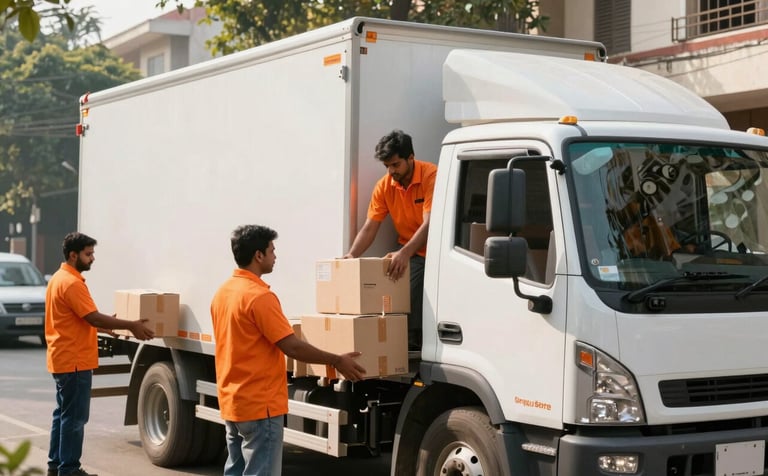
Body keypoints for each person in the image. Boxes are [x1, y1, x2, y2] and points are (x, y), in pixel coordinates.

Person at [211, 224, 366, 476]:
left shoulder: (223, 293)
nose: (275, 256)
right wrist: (336, 360)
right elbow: (291, 345)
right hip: (260, 406)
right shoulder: (259, 297)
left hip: (233, 401)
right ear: (258, 256)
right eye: (272, 250)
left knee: (236, 470)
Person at [46, 232, 155, 476]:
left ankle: (56, 466)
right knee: (74, 419)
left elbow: (80, 318)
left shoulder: (58, 278)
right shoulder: (72, 283)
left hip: (61, 358)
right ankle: (70, 469)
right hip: (74, 361)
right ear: (73, 255)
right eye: (88, 254)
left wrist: (108, 327)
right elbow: (91, 316)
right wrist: (131, 325)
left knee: (62, 415)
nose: (92, 258)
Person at [343, 130, 437, 350]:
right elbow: (370, 227)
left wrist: (404, 253)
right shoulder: (384, 186)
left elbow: (429, 224)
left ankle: (411, 339)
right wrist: (352, 255)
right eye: (387, 166)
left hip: (433, 249)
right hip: (408, 247)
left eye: (395, 165)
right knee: (388, 274)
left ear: (411, 157)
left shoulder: (430, 176)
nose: (391, 171)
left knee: (407, 276)